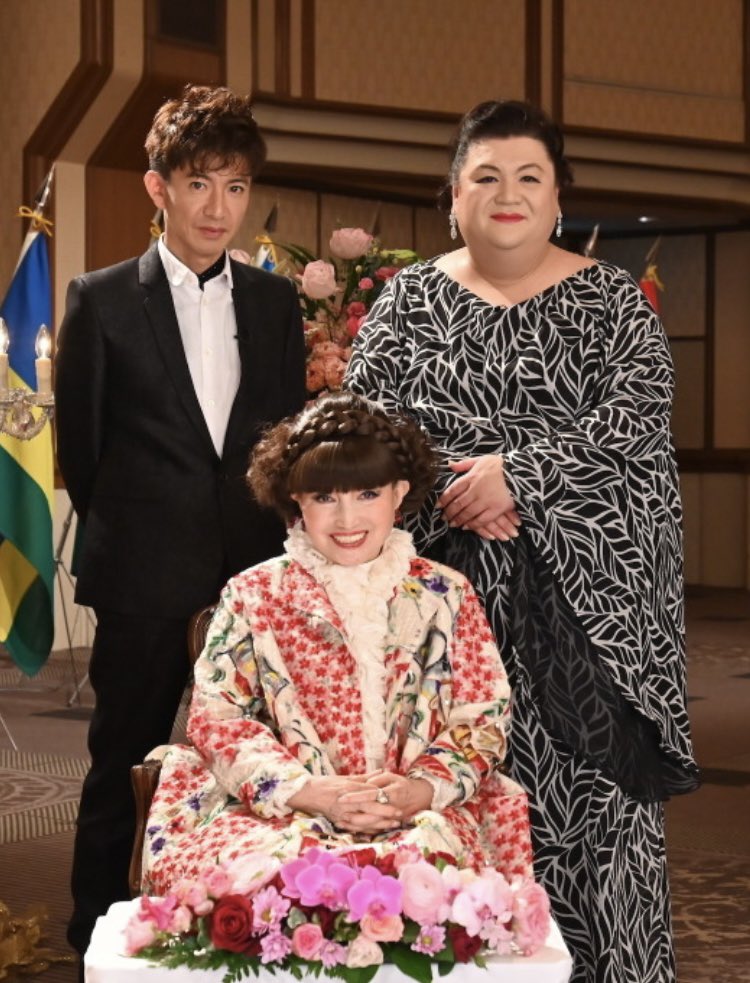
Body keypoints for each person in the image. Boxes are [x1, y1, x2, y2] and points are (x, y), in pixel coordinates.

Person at [345, 100, 700, 983]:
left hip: (586, 627)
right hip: (442, 621)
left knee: (595, 829)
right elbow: (361, 434)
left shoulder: (612, 302)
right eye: (487, 176)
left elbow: (635, 428)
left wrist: (524, 477)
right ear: (453, 195)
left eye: (529, 177)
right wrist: (458, 487)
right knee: (448, 817)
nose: (509, 194)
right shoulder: (406, 303)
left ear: (558, 196)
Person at [54, 84, 306, 959]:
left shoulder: (274, 303)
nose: (217, 207)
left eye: (235, 187)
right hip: (142, 576)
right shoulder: (100, 299)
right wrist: (147, 533)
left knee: (261, 768)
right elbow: (82, 454)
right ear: (158, 187)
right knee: (123, 761)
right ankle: (93, 937)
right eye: (199, 184)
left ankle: (250, 934)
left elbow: (285, 445)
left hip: (253, 576)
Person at [137, 392, 533, 894]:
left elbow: (482, 717)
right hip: (282, 810)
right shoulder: (254, 594)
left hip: (418, 809)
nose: (347, 520)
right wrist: (308, 792)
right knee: (278, 876)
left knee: (424, 878)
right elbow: (219, 720)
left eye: (367, 494)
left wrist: (419, 790)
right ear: (296, 501)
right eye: (325, 498)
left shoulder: (445, 593)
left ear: (399, 493)